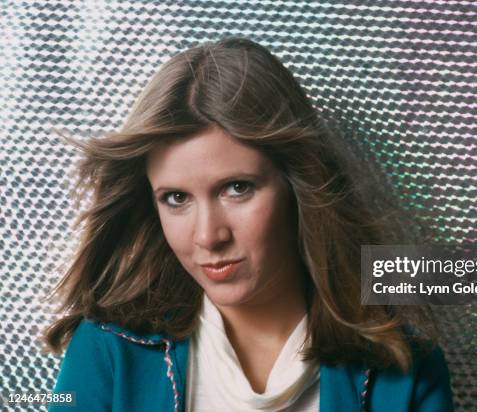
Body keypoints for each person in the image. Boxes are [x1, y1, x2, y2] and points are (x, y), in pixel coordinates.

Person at [43, 37, 454, 411]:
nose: (208, 236)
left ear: (299, 185)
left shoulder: (406, 370)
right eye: (176, 198)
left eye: (237, 188)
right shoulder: (107, 350)